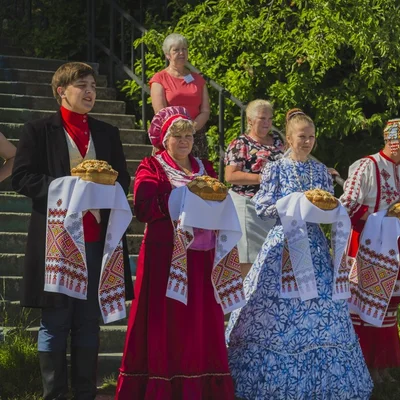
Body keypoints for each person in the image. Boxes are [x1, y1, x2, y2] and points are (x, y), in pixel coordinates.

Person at [226, 109, 373, 399]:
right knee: (277, 311)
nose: (307, 142)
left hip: (315, 246)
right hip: (283, 247)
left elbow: (328, 208)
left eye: (311, 137)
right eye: (302, 136)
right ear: (290, 138)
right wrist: (293, 202)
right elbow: (263, 208)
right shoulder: (275, 168)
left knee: (323, 310)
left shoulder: (321, 171)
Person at [11, 62, 134, 400]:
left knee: (87, 321)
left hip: (98, 241)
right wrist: (69, 187)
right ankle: (54, 395)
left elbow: (121, 178)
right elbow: (21, 178)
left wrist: (102, 189)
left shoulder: (107, 133)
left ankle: (84, 394)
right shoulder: (38, 130)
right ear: (61, 91)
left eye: (93, 84)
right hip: (56, 244)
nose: (90, 91)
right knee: (55, 321)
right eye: (82, 85)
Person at [116, 106, 236, 399]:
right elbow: (143, 208)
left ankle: (203, 386)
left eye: (189, 135)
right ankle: (164, 387)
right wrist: (183, 194)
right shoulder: (152, 166)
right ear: (164, 139)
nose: (184, 141)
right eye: (177, 135)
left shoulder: (204, 167)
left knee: (201, 321)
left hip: (203, 256)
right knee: (167, 322)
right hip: (165, 257)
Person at [340, 118, 400, 384]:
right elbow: (348, 205)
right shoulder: (368, 166)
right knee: (365, 304)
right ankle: (364, 365)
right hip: (368, 242)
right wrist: (382, 217)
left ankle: (382, 364)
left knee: (389, 302)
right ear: (391, 140)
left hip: (397, 243)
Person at [224, 99, 285, 276]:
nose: (267, 123)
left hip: (273, 207)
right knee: (249, 257)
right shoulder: (240, 143)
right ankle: (244, 300)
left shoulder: (277, 141)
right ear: (250, 120)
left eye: (270, 118)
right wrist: (263, 178)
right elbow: (231, 176)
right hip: (247, 205)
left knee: (272, 259)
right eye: (262, 118)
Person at [150, 33, 211, 158]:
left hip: (195, 136)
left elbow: (205, 110)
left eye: (184, 49)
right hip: (170, 135)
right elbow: (160, 112)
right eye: (176, 50)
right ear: (168, 55)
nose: (181, 53)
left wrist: (191, 128)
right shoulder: (159, 78)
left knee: (198, 176)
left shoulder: (198, 79)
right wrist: (180, 130)